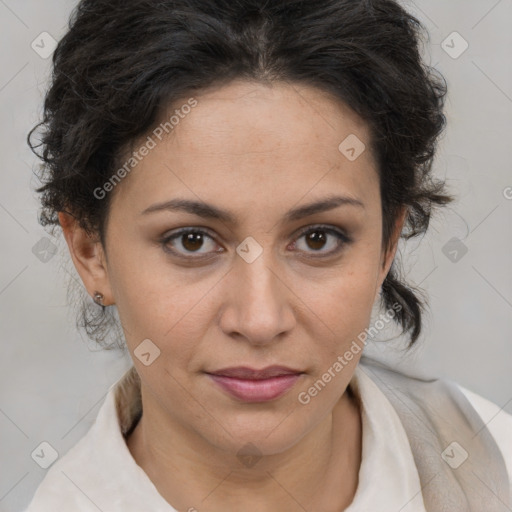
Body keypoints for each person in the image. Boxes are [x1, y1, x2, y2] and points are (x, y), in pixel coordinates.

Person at [24, 0, 512, 510]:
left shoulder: (495, 462)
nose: (259, 321)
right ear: (90, 251)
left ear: (387, 244)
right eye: (191, 240)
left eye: (318, 238)